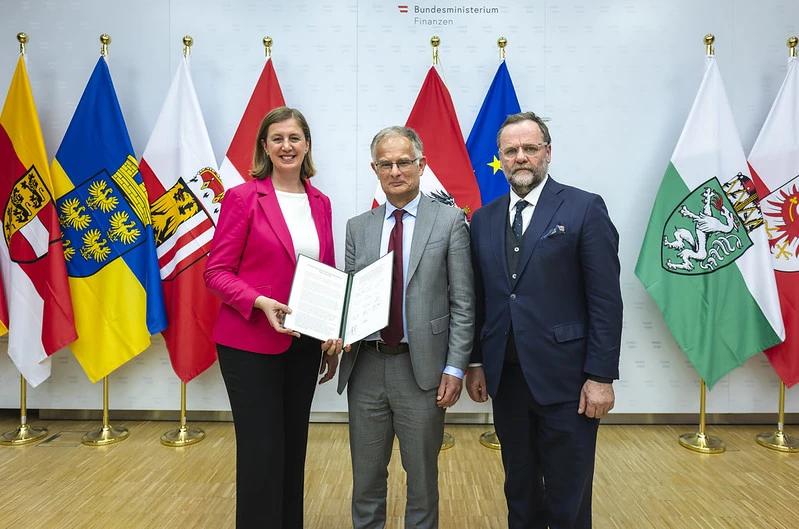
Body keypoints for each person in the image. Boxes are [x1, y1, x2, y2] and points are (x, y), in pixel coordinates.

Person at [466, 111, 622, 529]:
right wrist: (478, 361)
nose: (521, 158)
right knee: (519, 489)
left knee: (567, 496)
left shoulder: (585, 207)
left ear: (547, 153)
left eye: (530, 149)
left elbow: (606, 301)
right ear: (499, 157)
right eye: (510, 150)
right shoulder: (483, 219)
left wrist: (601, 376)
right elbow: (482, 298)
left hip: (569, 383)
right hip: (508, 382)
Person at [204, 106, 341, 529]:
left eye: (294, 138)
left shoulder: (321, 202)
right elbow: (216, 273)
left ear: (307, 145)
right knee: (262, 450)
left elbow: (327, 274)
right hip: (249, 345)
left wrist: (333, 334)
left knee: (293, 447)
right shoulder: (243, 197)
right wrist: (261, 302)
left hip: (302, 345)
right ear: (265, 146)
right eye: (277, 138)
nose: (287, 146)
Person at [337, 126, 474, 529]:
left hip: (424, 369)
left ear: (421, 165)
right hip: (367, 367)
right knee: (365, 478)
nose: (395, 171)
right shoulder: (357, 226)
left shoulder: (449, 221)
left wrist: (454, 368)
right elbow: (348, 295)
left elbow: (463, 303)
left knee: (422, 481)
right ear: (375, 169)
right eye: (386, 164)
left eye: (404, 162)